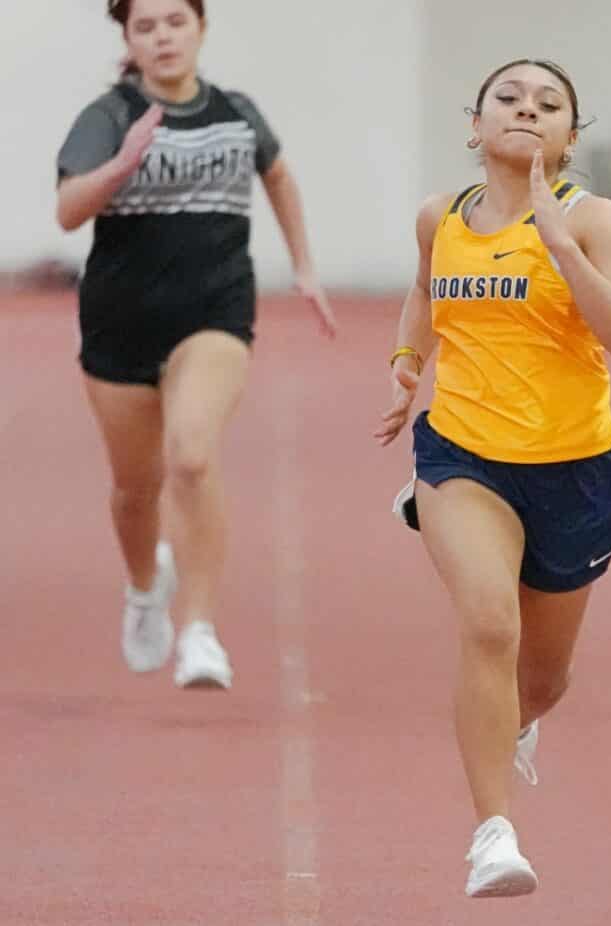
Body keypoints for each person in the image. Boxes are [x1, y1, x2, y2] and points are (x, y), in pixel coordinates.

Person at [375, 58, 611, 897]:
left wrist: (561, 247)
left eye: (549, 103)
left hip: (573, 468)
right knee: (490, 624)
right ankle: (493, 835)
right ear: (477, 123)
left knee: (543, 679)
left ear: (569, 138)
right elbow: (425, 291)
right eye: (509, 98)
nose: (527, 109)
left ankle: (515, 722)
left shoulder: (594, 220)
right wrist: (407, 361)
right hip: (463, 456)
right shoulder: (442, 216)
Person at [56, 0, 336, 690]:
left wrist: (303, 266)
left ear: (200, 27)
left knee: (190, 455)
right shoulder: (109, 116)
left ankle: (200, 632)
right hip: (120, 323)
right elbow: (67, 211)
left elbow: (279, 176)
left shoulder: (237, 112)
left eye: (176, 22)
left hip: (214, 313)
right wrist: (122, 164)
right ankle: (144, 588)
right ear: (129, 39)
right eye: (146, 27)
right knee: (135, 490)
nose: (163, 37)